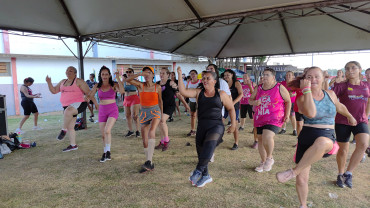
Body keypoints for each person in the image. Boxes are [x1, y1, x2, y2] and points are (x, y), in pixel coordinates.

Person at [276, 66, 356, 208]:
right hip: (306, 138)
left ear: (323, 78)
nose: (313, 79)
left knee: (322, 142)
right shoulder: (301, 98)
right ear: (304, 80)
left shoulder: (330, 94)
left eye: (316, 76)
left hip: (326, 137)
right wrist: (306, 90)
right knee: (301, 179)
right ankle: (303, 205)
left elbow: (339, 106)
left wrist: (349, 116)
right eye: (309, 77)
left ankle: (293, 172)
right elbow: (311, 113)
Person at [177, 66, 236, 187]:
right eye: (203, 78)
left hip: (216, 125)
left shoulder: (221, 94)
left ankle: (197, 171)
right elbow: (183, 92)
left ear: (214, 81)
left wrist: (234, 124)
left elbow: (230, 108)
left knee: (210, 144)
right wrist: (179, 75)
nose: (204, 80)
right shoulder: (198, 93)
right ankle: (205, 176)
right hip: (202, 126)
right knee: (201, 152)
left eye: (207, 78)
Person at [332, 61, 370, 188]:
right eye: (347, 68)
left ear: (360, 70)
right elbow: (330, 98)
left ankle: (349, 173)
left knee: (364, 144)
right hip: (343, 121)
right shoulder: (341, 86)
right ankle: (340, 174)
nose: (350, 70)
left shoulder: (366, 85)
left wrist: (366, 115)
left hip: (361, 120)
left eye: (353, 68)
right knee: (343, 150)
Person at [249, 68, 291, 172]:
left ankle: (269, 158)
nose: (264, 77)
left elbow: (288, 100)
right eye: (263, 75)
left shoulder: (279, 87)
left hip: (275, 117)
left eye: (267, 75)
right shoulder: (258, 88)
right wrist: (254, 103)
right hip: (260, 116)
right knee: (260, 139)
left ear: (273, 77)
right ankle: (263, 162)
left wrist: (287, 114)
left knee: (267, 135)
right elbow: (250, 100)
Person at [46, 66, 94, 152]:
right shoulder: (63, 81)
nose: (68, 72)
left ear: (75, 73)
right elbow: (53, 91)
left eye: (71, 71)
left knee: (68, 111)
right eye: (67, 70)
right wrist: (49, 82)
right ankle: (73, 145)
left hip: (80, 103)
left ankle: (63, 130)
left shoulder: (78, 81)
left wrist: (87, 97)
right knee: (71, 127)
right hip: (67, 106)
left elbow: (88, 92)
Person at [125, 66, 162, 173]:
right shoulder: (140, 85)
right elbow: (127, 80)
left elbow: (160, 101)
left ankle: (149, 162)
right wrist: (139, 74)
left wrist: (162, 116)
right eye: (145, 73)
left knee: (151, 131)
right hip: (144, 112)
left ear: (153, 75)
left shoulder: (157, 87)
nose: (146, 75)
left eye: (149, 73)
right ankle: (149, 162)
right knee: (144, 140)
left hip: (155, 110)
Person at [89, 66, 124, 162]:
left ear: (109, 75)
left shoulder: (114, 84)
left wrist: (118, 78)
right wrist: (96, 104)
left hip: (112, 109)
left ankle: (108, 151)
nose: (104, 76)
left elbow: (122, 91)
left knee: (107, 130)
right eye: (102, 74)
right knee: (103, 135)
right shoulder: (97, 85)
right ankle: (105, 153)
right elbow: (91, 95)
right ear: (100, 75)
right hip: (102, 111)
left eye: (106, 74)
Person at [155, 68, 177, 151]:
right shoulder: (157, 84)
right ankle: (162, 141)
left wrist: (186, 105)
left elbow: (178, 93)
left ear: (168, 75)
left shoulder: (170, 83)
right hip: (160, 106)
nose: (161, 75)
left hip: (170, 106)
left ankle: (167, 140)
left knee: (162, 121)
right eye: (160, 73)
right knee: (159, 123)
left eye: (163, 73)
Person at [223, 69, 243, 150]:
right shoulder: (224, 84)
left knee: (234, 124)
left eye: (228, 75)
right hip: (225, 106)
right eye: (225, 75)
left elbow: (241, 94)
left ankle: (236, 143)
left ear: (232, 75)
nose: (226, 76)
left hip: (234, 106)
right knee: (220, 121)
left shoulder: (236, 83)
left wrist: (233, 103)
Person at [239, 73, 258, 148]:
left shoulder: (253, 83)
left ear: (249, 78)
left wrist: (250, 85)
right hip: (243, 102)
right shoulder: (240, 84)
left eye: (246, 77)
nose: (245, 79)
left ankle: (254, 128)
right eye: (244, 77)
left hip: (250, 102)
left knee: (251, 116)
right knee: (242, 115)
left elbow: (253, 92)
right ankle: (242, 126)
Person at [122, 68, 141, 137]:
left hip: (134, 98)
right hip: (126, 99)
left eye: (130, 72)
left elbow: (140, 89)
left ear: (133, 73)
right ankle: (130, 130)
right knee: (127, 115)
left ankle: (138, 130)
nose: (128, 73)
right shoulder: (124, 81)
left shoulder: (135, 81)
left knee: (134, 115)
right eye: (127, 72)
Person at [279, 71, 298, 136]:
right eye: (287, 75)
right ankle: (283, 129)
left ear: (293, 76)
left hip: (292, 102)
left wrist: (293, 94)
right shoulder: (282, 83)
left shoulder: (295, 84)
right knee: (283, 115)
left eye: (289, 75)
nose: (288, 76)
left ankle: (294, 130)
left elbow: (297, 92)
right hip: (283, 102)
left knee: (292, 116)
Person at [186, 70, 201, 137]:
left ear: (197, 74)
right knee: (192, 115)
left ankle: (200, 130)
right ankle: (193, 130)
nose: (193, 75)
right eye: (191, 74)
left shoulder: (200, 81)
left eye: (194, 74)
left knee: (199, 116)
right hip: (191, 100)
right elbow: (186, 90)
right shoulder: (189, 82)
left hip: (199, 101)